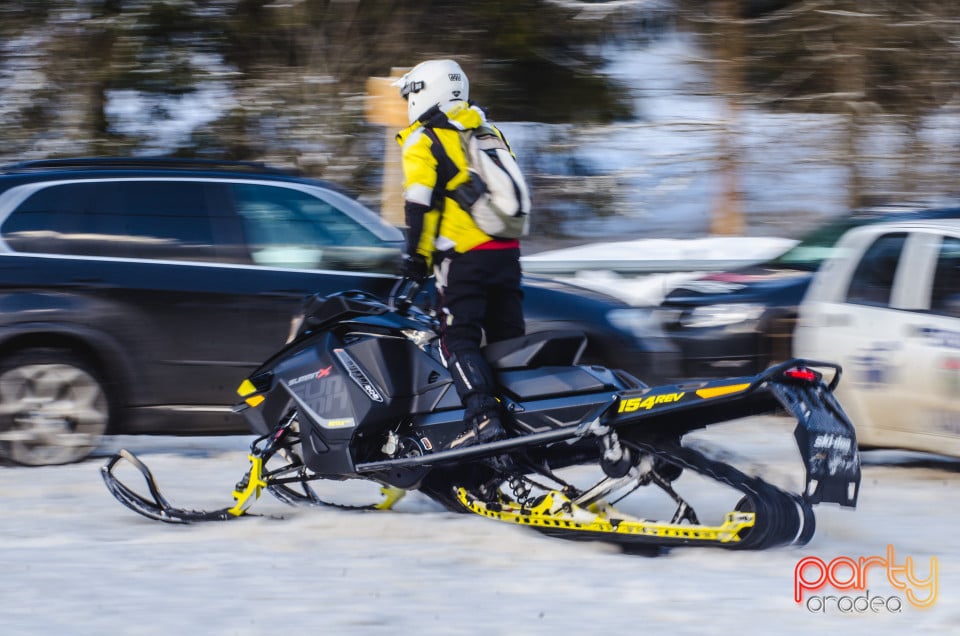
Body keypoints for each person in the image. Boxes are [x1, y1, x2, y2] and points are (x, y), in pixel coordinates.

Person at [393, 59, 525, 449]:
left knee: (458, 339)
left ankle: (484, 419)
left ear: (424, 92)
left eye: (409, 95)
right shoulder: (487, 132)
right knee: (507, 337)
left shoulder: (425, 138)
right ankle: (526, 417)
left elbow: (420, 205)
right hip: (508, 250)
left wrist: (416, 259)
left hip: (465, 256)